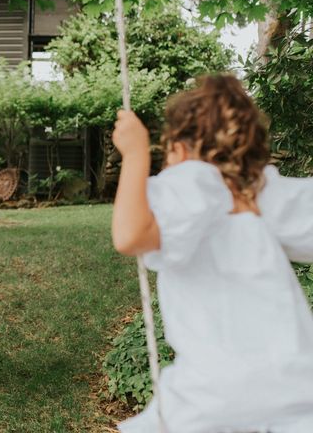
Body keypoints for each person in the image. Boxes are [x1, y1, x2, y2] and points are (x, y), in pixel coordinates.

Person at [111, 74, 313, 433]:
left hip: (216, 391)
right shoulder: (266, 193)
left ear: (182, 147)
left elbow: (130, 235)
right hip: (297, 386)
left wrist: (135, 154)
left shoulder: (195, 180)